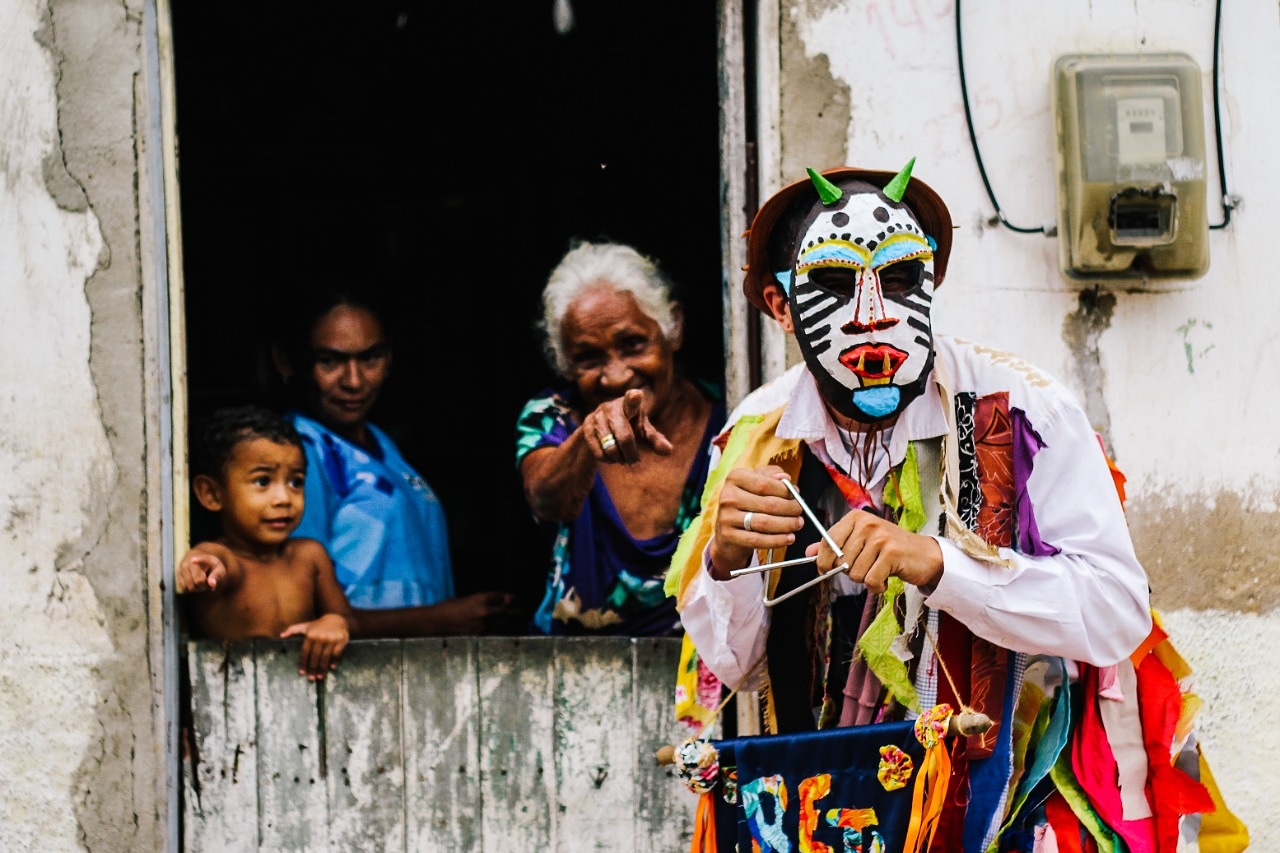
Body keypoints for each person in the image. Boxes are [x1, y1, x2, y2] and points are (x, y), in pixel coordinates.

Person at [669, 161, 1227, 849]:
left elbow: (1116, 612)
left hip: (1014, 804)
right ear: (781, 306)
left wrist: (942, 567)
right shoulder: (757, 435)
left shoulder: (1021, 411)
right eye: (835, 283)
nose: (873, 312)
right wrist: (726, 566)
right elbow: (739, 668)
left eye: (901, 276)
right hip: (839, 808)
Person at [271, 290, 523, 637]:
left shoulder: (382, 445)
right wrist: (438, 620)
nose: (354, 381)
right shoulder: (296, 452)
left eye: (370, 358)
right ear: (287, 362)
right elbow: (295, 610)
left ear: (389, 358)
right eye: (330, 361)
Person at [516, 240, 726, 637]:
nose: (615, 376)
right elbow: (545, 498)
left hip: (703, 679)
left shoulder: (731, 419)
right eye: (589, 358)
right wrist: (586, 439)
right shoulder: (552, 416)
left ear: (673, 328)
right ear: (563, 363)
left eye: (633, 344)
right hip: (572, 672)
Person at [178, 404, 354, 680]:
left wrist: (334, 622)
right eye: (262, 481)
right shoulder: (228, 560)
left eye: (295, 482)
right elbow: (213, 561)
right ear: (211, 494)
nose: (284, 498)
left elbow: (352, 622)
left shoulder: (309, 557)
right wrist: (201, 567)